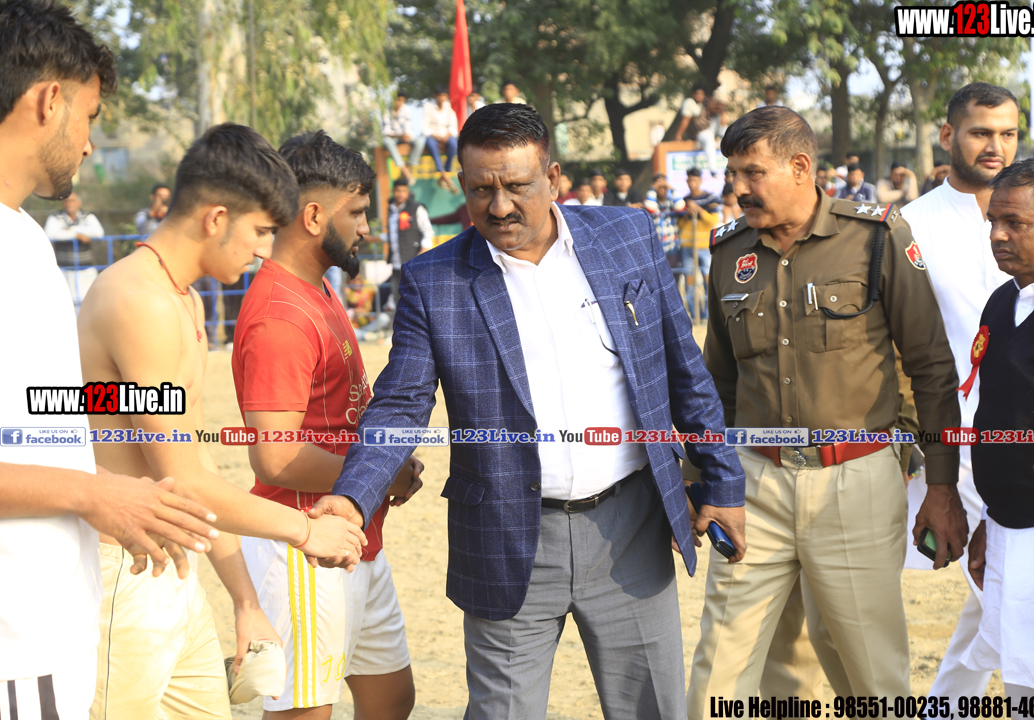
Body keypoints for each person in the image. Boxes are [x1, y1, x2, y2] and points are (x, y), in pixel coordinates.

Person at [310, 102, 747, 719]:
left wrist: (722, 480)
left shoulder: (628, 237)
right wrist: (354, 497)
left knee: (653, 708)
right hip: (506, 535)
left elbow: (683, 369)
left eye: (516, 186)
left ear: (554, 178)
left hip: (632, 530)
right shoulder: (435, 280)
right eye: (480, 189)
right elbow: (401, 403)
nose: (499, 206)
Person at [77, 123, 366, 718]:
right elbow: (183, 479)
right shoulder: (138, 301)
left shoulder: (179, 296)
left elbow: (198, 464)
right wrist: (304, 531)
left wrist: (244, 600)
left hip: (172, 567)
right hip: (123, 568)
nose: (264, 249)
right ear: (216, 219)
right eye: (260, 230)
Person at [685, 106, 964, 710]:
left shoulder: (876, 236)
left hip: (854, 480)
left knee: (869, 672)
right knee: (721, 670)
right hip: (752, 484)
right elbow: (717, 381)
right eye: (732, 174)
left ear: (800, 166)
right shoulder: (729, 251)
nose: (737, 188)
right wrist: (698, 474)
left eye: (752, 173)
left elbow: (931, 367)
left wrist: (941, 486)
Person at [0, 2, 219, 717]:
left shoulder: (26, 240)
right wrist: (99, 494)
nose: (91, 144)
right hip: (15, 638)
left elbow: (32, 410)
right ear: (49, 100)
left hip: (56, 620)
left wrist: (139, 403)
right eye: (90, 117)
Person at [233, 129, 423, 717]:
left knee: (392, 698)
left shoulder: (315, 289)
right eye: (357, 212)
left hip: (352, 531)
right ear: (314, 216)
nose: (367, 226)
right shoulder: (280, 315)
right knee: (306, 713)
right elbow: (275, 457)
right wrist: (379, 473)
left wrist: (380, 466)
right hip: (302, 543)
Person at [900, 81, 1020, 704]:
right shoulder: (907, 226)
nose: (996, 146)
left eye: (1008, 133)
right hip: (953, 433)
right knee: (1003, 588)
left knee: (998, 589)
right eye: (981, 133)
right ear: (948, 136)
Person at [960, 158, 1034, 697]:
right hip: (1013, 535)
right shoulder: (1004, 299)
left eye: (1015, 223)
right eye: (993, 221)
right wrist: (994, 519)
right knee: (1026, 691)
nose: (998, 235)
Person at [44, 191, 104, 305]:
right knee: (66, 304)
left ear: (79, 203)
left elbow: (98, 232)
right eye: (66, 201)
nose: (69, 203)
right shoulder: (55, 217)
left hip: (85, 269)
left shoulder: (88, 216)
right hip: (64, 270)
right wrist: (76, 235)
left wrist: (72, 230)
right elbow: (50, 233)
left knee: (89, 303)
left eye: (72, 200)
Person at [678, 167, 722, 319]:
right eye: (690, 180)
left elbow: (713, 220)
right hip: (687, 247)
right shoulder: (683, 201)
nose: (692, 183)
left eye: (695, 180)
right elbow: (680, 225)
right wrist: (686, 214)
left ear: (700, 180)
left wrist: (698, 210)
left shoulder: (710, 198)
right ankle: (695, 315)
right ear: (687, 181)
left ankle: (709, 317)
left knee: (709, 283)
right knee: (689, 283)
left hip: (705, 246)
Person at [385, 176, 434, 307]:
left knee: (417, 297)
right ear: (393, 191)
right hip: (396, 262)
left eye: (403, 191)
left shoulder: (416, 208)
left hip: (413, 261)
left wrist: (421, 254)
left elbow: (428, 232)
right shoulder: (390, 209)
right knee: (397, 297)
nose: (400, 194)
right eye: (398, 190)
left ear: (408, 192)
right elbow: (393, 234)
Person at [675, 86, 721, 178]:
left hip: (711, 131)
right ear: (693, 94)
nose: (700, 96)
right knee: (708, 138)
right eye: (697, 93)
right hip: (700, 133)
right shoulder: (689, 102)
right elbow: (685, 120)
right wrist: (678, 135)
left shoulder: (705, 104)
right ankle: (713, 170)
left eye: (702, 94)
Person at [382, 91, 425, 185]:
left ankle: (407, 169)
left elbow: (408, 127)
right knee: (387, 141)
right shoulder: (386, 110)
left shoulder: (406, 109)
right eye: (398, 100)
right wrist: (399, 135)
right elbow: (386, 132)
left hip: (405, 136)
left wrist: (406, 135)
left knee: (420, 141)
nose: (400, 102)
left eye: (402, 100)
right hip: (394, 138)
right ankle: (404, 169)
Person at [643, 172, 686, 267]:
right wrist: (653, 188)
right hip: (655, 247)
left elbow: (681, 208)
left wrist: (671, 188)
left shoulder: (672, 201)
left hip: (673, 246)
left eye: (664, 186)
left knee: (674, 273)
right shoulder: (650, 201)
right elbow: (651, 209)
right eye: (659, 186)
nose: (661, 189)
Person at [423, 87, 460, 192]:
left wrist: (447, 135)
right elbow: (425, 127)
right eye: (439, 95)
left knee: (454, 145)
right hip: (433, 136)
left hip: (446, 136)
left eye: (444, 95)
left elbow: (453, 127)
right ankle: (444, 175)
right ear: (435, 96)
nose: (442, 98)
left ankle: (444, 174)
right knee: (431, 145)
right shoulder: (428, 107)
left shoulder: (449, 107)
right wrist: (436, 136)